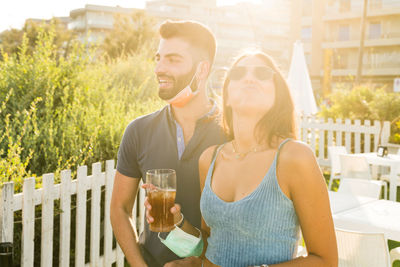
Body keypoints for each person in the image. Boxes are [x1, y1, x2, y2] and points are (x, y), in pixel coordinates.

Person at [146, 50, 338, 267]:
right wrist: (178, 227)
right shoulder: (209, 159)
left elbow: (325, 261)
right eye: (237, 73)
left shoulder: (294, 157)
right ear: (226, 96)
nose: (248, 78)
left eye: (262, 73)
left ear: (278, 94)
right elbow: (209, 244)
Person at [110, 20, 227, 267]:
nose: (159, 69)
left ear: (202, 70)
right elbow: (119, 209)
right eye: (158, 58)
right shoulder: (138, 131)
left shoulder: (233, 133)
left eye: (173, 59)